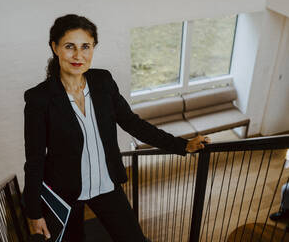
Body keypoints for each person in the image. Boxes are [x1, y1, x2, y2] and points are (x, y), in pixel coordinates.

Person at [22, 14, 210, 242]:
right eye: (69, 46)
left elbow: (133, 123)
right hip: (66, 191)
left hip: (106, 183)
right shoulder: (38, 99)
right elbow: (34, 160)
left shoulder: (103, 81)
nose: (78, 55)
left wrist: (182, 144)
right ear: (55, 47)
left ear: (93, 49)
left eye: (86, 47)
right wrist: (34, 212)